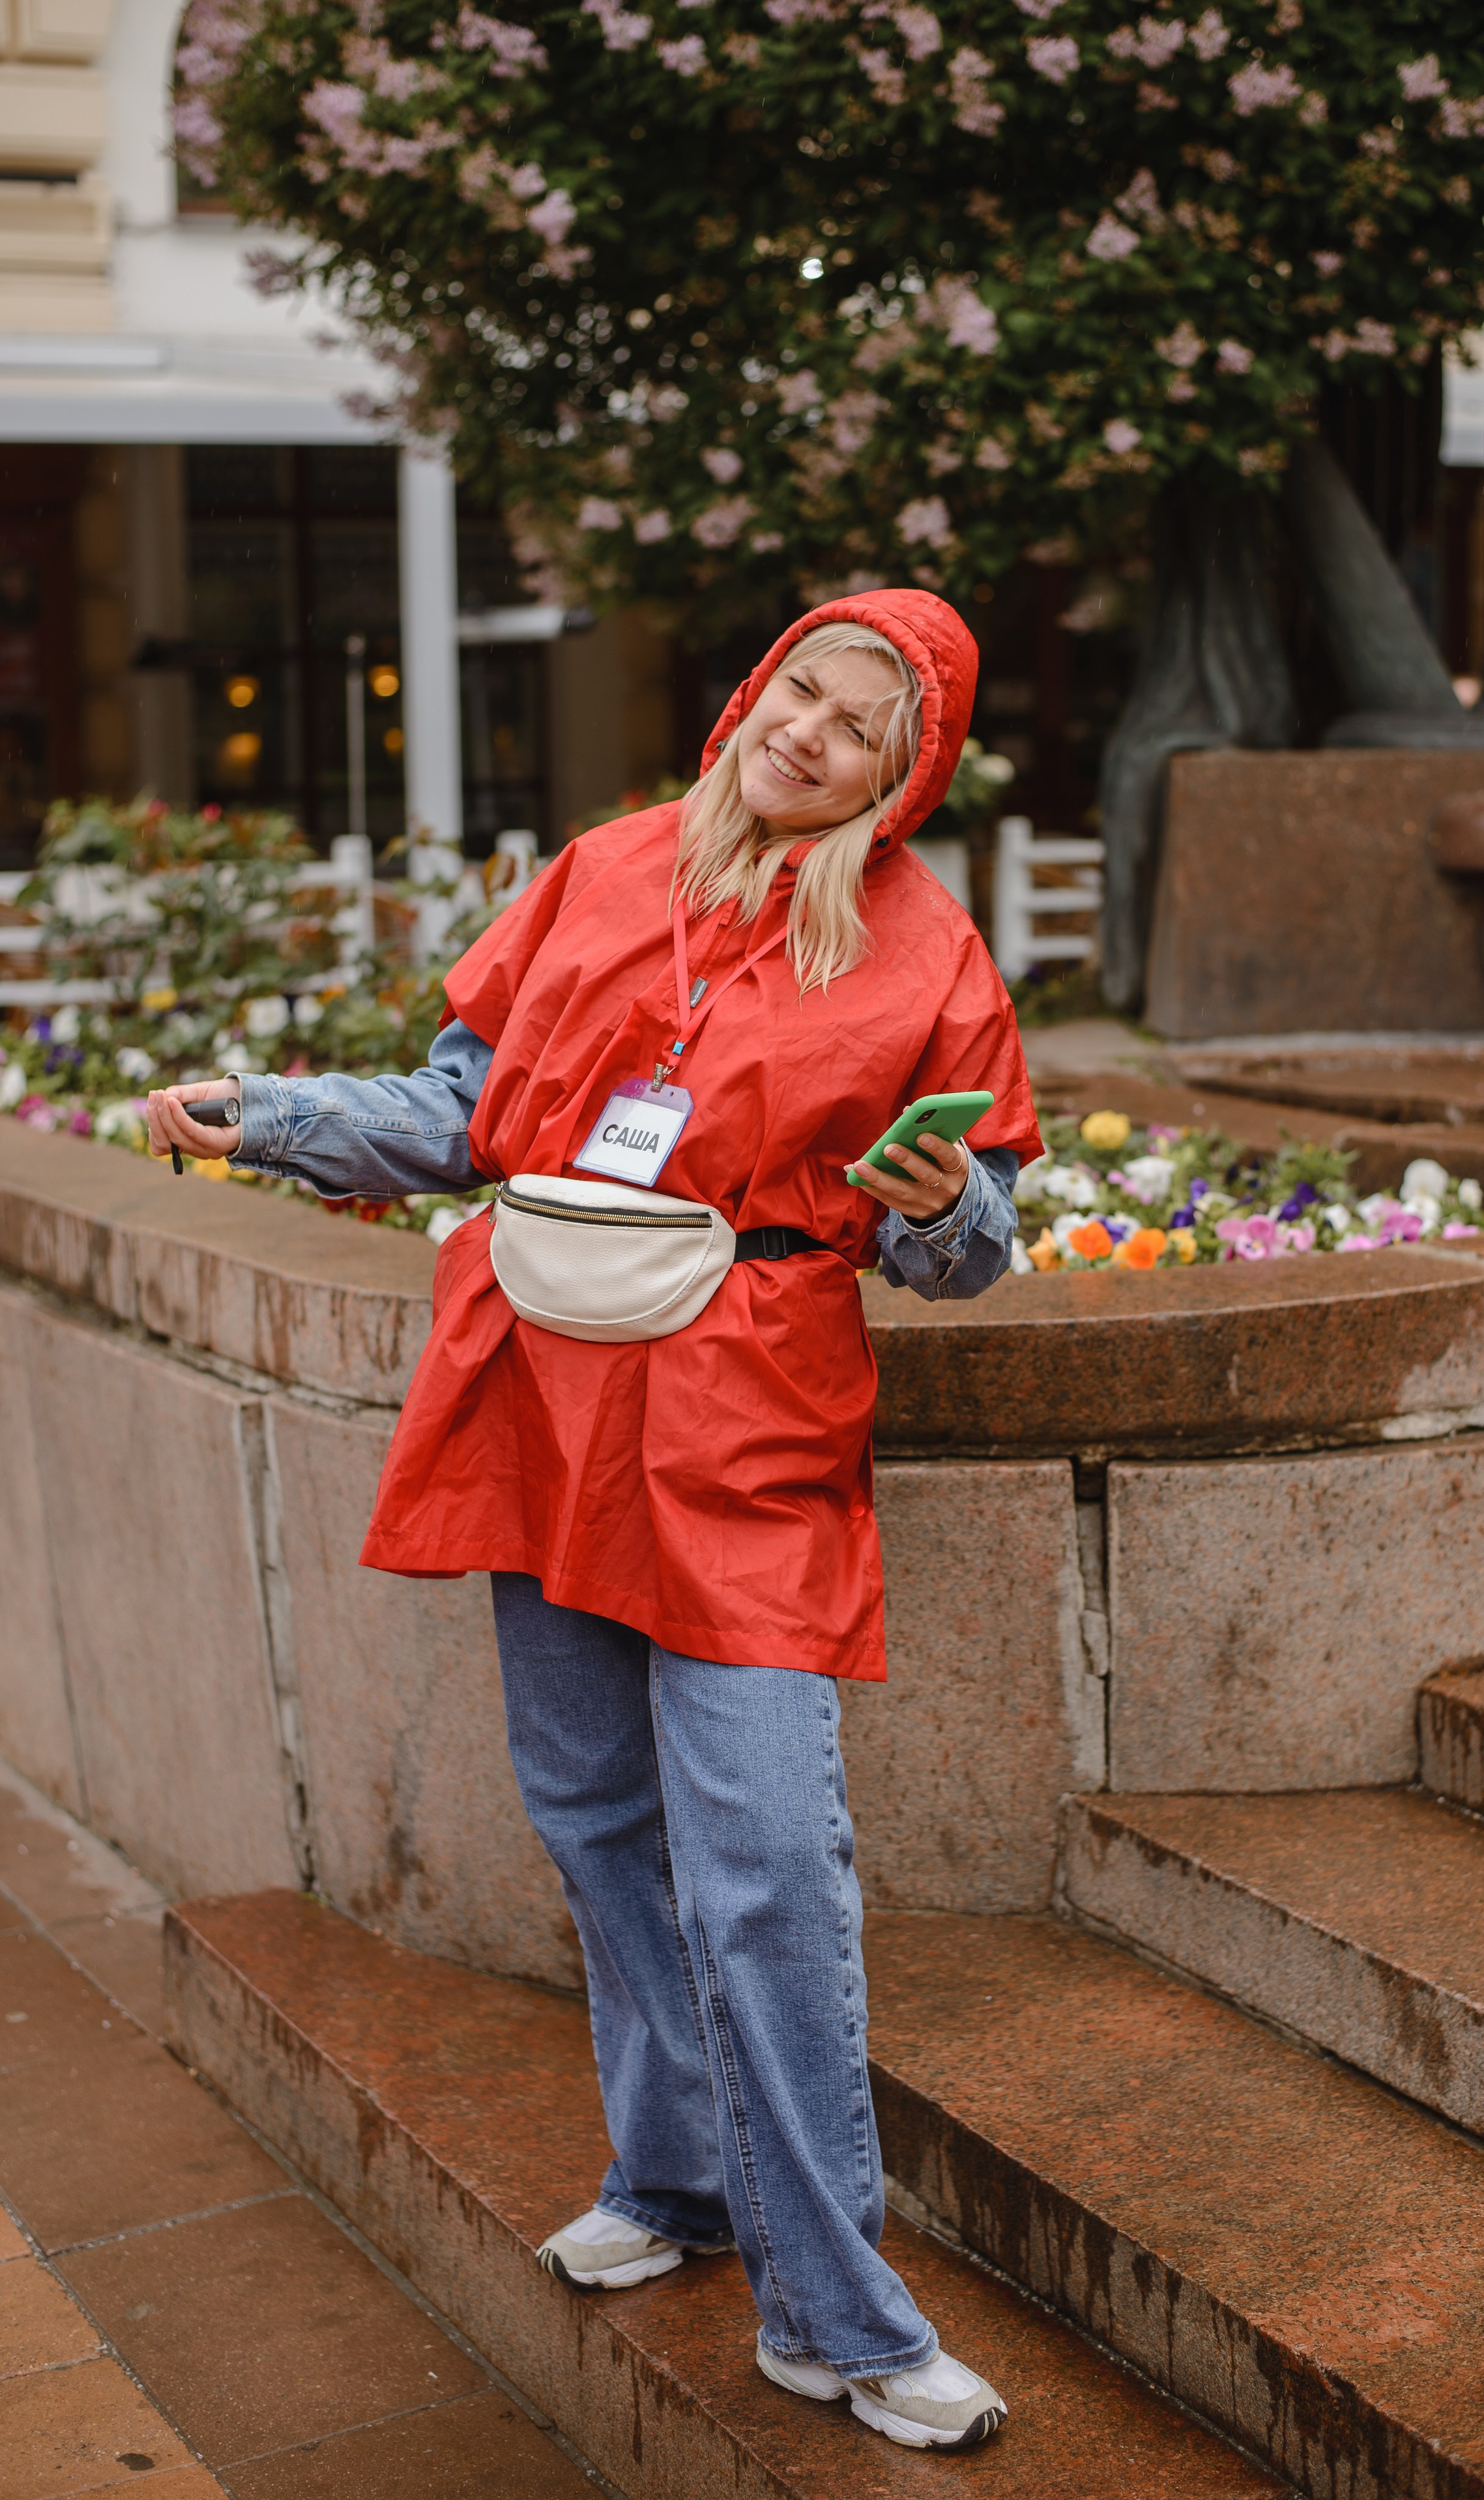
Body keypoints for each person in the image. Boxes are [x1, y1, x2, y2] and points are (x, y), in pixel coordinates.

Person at [148, 589, 1040, 2453]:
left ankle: (837, 2314)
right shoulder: (608, 865)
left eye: (862, 722)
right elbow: (465, 1109)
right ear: (755, 691)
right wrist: (274, 1116)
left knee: (772, 1862)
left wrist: (947, 1196)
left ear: (902, 772)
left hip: (747, 1417)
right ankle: (681, 2175)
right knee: (591, 1811)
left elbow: (971, 1249)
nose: (811, 728)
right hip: (543, 1383)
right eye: (802, 685)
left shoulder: (924, 946)